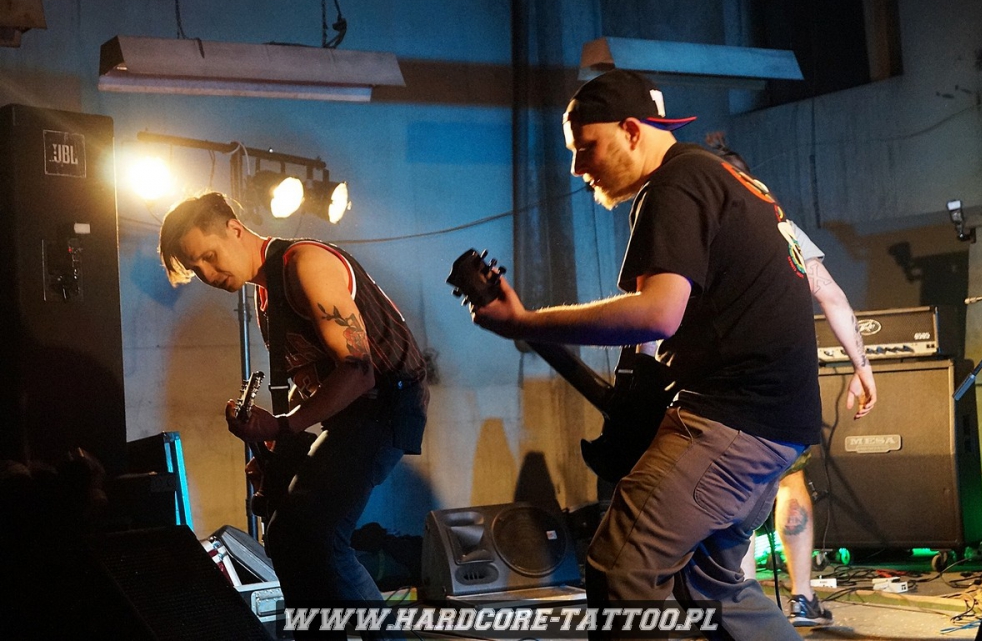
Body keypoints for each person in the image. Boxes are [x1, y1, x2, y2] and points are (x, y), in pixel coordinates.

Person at [470, 69, 822, 640]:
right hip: (774, 428)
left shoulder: (675, 184)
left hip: (731, 422)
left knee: (620, 568)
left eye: (587, 147)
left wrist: (526, 322)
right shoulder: (719, 177)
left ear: (631, 130)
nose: (577, 168)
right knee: (712, 585)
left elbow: (658, 313)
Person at [159, 192, 428, 639]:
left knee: (317, 537)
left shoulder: (305, 265)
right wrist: (273, 437)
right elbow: (320, 383)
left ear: (234, 229)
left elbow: (358, 370)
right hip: (353, 416)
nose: (206, 273)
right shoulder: (269, 296)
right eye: (195, 267)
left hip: (385, 408)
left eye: (208, 256)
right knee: (286, 539)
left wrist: (284, 425)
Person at [710, 140, 878, 628]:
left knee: (735, 491)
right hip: (787, 382)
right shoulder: (781, 225)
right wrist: (862, 367)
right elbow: (832, 295)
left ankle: (746, 606)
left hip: (727, 385)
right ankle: (801, 599)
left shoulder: (699, 225)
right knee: (788, 479)